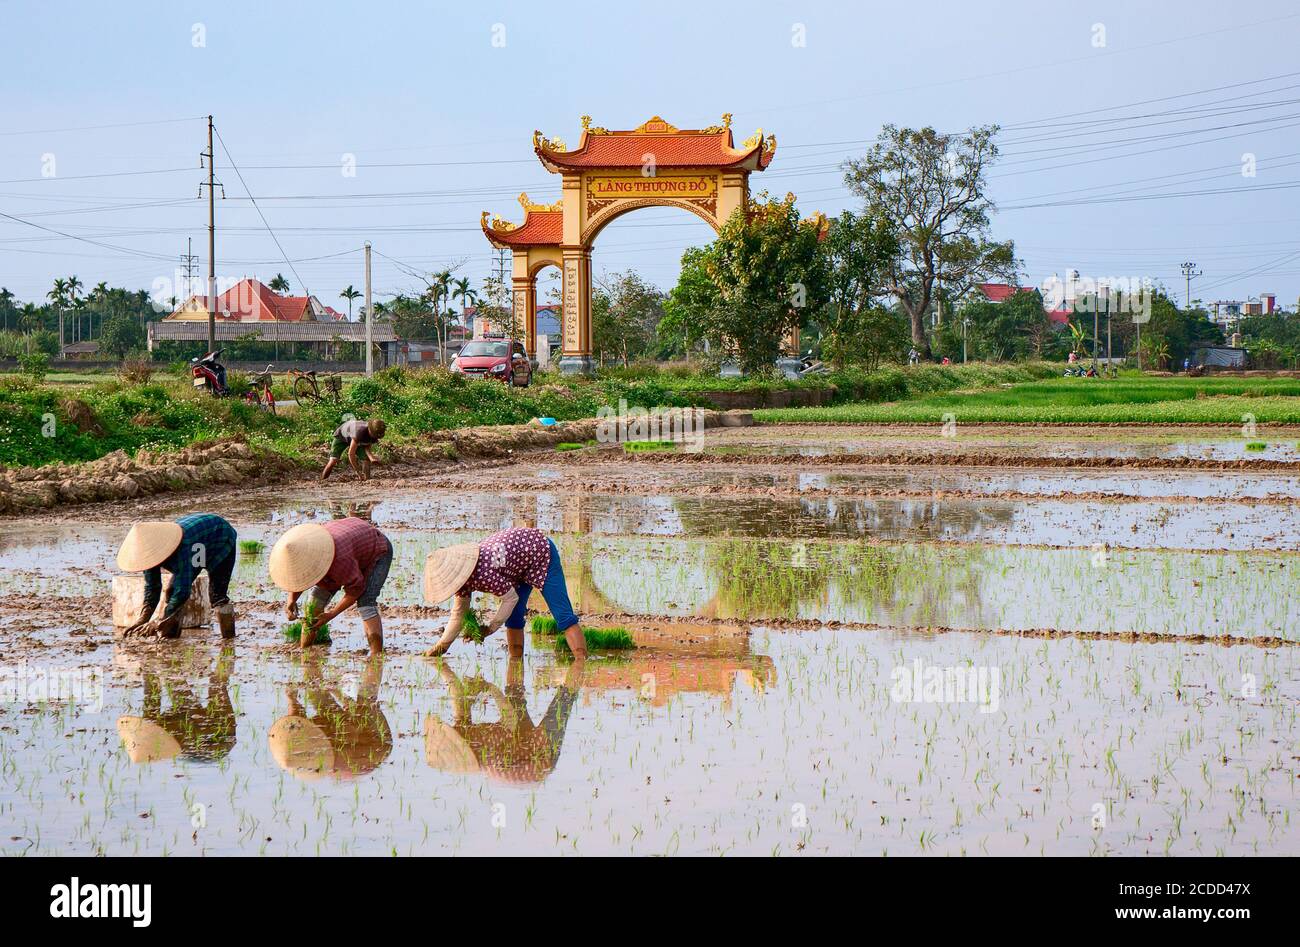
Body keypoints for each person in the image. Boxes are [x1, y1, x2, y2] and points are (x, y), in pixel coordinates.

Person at [422, 526, 585, 659]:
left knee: (563, 616)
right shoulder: (462, 582)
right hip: (516, 567)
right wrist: (441, 647)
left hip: (541, 553)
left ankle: (581, 666)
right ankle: (515, 671)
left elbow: (510, 599)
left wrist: (490, 628)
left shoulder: (483, 572)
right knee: (513, 618)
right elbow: (458, 614)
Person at [269, 516, 393, 654]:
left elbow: (355, 590)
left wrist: (332, 614)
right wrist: (291, 599)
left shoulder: (340, 561)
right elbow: (301, 576)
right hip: (349, 546)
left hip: (376, 549)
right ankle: (305, 651)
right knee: (313, 605)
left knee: (365, 602)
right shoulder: (310, 551)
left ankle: (376, 656)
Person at [117, 513, 238, 639]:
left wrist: (158, 620)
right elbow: (152, 587)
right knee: (171, 591)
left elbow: (182, 591)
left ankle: (228, 641)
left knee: (217, 596)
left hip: (221, 537)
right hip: (198, 542)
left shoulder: (181, 547)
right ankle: (170, 637)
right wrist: (143, 618)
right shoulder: (148, 554)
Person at [321, 417, 386, 481]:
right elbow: (351, 454)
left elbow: (367, 445)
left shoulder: (375, 435)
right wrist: (358, 471)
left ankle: (367, 480)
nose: (374, 437)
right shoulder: (360, 432)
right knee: (333, 461)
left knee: (366, 460)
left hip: (355, 438)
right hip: (342, 435)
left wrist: (371, 458)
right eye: (374, 435)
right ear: (369, 430)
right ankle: (323, 480)